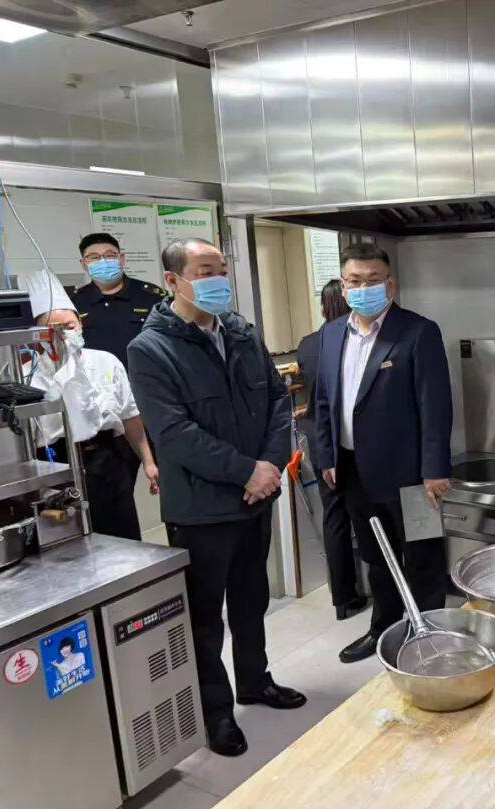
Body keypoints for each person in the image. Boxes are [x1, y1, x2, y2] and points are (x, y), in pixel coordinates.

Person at [127, 237, 305, 757]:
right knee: (206, 618)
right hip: (202, 509)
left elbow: (278, 401)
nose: (218, 280)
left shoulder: (241, 332)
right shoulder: (151, 349)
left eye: (221, 269)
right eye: (205, 271)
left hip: (255, 499)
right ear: (173, 281)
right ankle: (216, 713)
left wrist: (270, 466)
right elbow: (175, 433)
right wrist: (247, 471)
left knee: (252, 600)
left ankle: (255, 680)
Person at [314, 243, 453, 664]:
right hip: (354, 469)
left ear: (390, 285)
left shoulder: (418, 331)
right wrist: (327, 457)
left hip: (412, 474)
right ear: (343, 286)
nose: (364, 288)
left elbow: (435, 405)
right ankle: (384, 628)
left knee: (423, 556)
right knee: (377, 556)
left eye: (373, 280)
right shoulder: (331, 334)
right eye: (355, 281)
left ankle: (428, 636)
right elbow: (325, 401)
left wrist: (435, 469)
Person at [27, 298, 158, 541]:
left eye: (69, 326)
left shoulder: (105, 361)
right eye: (53, 329)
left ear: (80, 324)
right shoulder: (29, 376)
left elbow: (130, 417)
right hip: (56, 461)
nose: (63, 334)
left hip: (108, 455)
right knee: (71, 537)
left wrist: (148, 462)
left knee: (123, 532)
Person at [296, 279, 367, 620]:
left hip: (320, 439)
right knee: (367, 515)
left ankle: (343, 597)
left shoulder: (309, 343)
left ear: (323, 307)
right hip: (349, 439)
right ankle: (386, 589)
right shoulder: (349, 339)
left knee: (334, 517)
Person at [72, 233, 167, 369]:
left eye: (110, 255)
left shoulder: (152, 297)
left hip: (144, 377)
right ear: (84, 264)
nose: (103, 261)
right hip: (95, 379)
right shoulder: (74, 302)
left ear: (122, 259)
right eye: (94, 257)